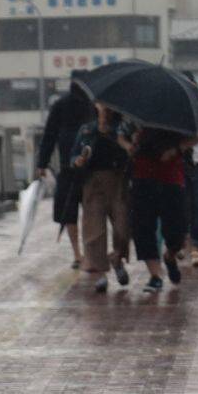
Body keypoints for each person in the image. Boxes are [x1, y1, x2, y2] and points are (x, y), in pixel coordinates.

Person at [118, 121, 196, 292]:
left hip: (172, 177)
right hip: (142, 176)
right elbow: (120, 134)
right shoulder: (138, 112)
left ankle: (170, 256)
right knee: (142, 227)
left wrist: (178, 148)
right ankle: (155, 275)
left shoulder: (180, 112)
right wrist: (129, 145)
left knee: (178, 231)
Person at [37, 69, 96, 269]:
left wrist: (42, 164)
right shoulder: (93, 105)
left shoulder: (61, 105)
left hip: (68, 168)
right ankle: (84, 253)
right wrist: (42, 163)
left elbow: (49, 136)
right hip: (89, 169)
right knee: (88, 212)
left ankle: (78, 254)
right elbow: (49, 135)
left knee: (70, 211)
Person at [71, 104, 130, 293]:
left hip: (118, 181)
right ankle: (101, 274)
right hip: (93, 184)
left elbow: (130, 153)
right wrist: (78, 161)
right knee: (94, 231)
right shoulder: (87, 130)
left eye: (108, 106)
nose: (104, 109)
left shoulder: (122, 129)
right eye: (100, 105)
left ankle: (117, 258)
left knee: (123, 227)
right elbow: (73, 155)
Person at [182, 71, 198, 268]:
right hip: (179, 165)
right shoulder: (173, 112)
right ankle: (179, 243)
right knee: (182, 206)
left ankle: (196, 246)